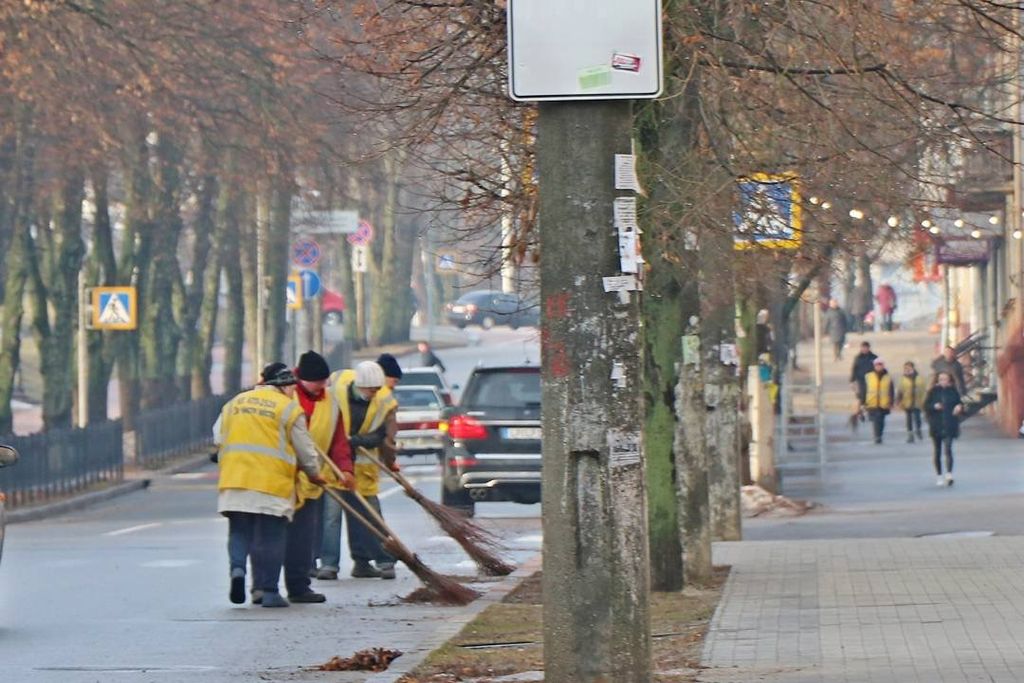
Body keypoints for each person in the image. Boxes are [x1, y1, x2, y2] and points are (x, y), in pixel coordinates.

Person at [215, 362, 326, 608]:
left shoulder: (234, 403)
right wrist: (315, 474)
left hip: (234, 478)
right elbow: (305, 450)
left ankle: (237, 569)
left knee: (239, 530)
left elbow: (218, 437)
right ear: (284, 387)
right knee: (271, 536)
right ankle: (269, 591)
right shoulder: (288, 409)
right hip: (270, 483)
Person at [274, 351, 356, 606]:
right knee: (274, 537)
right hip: (282, 480)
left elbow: (339, 441)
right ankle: (266, 586)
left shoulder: (330, 401)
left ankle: (299, 586)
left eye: (324, 381)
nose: (323, 386)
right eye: (318, 381)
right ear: (302, 378)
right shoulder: (286, 397)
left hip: (313, 479)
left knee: (303, 538)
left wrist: (346, 469)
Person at [318, 361, 400, 581]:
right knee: (331, 518)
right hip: (334, 466)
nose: (374, 394)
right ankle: (329, 565)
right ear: (359, 385)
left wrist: (355, 441)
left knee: (371, 516)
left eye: (376, 390)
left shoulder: (385, 401)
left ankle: (382, 560)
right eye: (370, 390)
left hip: (363, 470)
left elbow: (383, 436)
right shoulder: (335, 390)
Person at [925, 371, 964, 487]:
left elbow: (960, 403)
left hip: (949, 424)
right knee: (937, 451)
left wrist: (959, 407)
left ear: (950, 380)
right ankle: (939, 475)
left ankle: (949, 474)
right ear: (937, 380)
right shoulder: (933, 392)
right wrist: (934, 406)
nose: (943, 381)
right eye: (941, 379)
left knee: (948, 448)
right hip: (936, 424)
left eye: (945, 379)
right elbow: (926, 406)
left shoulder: (953, 391)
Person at [864, 358, 894, 444]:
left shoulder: (888, 377)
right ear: (874, 366)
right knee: (875, 419)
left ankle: (879, 435)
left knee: (881, 420)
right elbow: (865, 389)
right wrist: (863, 401)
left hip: (883, 403)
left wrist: (891, 402)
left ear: (883, 366)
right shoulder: (869, 376)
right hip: (872, 402)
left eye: (880, 365)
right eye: (877, 365)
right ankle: (877, 436)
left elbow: (891, 390)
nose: (879, 367)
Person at [897, 361, 926, 443]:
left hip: (917, 401)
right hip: (907, 401)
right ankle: (910, 434)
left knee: (917, 418)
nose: (907, 370)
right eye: (906, 368)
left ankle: (918, 429)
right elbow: (900, 390)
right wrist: (898, 401)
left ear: (913, 368)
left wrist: (924, 400)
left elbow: (923, 390)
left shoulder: (919, 378)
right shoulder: (903, 379)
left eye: (909, 368)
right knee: (908, 419)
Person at [849, 341, 878, 405]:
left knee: (870, 395)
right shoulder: (858, 358)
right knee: (861, 395)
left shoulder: (874, 357)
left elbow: (878, 368)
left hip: (872, 379)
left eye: (866, 347)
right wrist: (852, 380)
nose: (864, 349)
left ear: (868, 348)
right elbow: (854, 368)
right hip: (861, 379)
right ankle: (861, 409)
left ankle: (868, 407)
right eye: (863, 347)